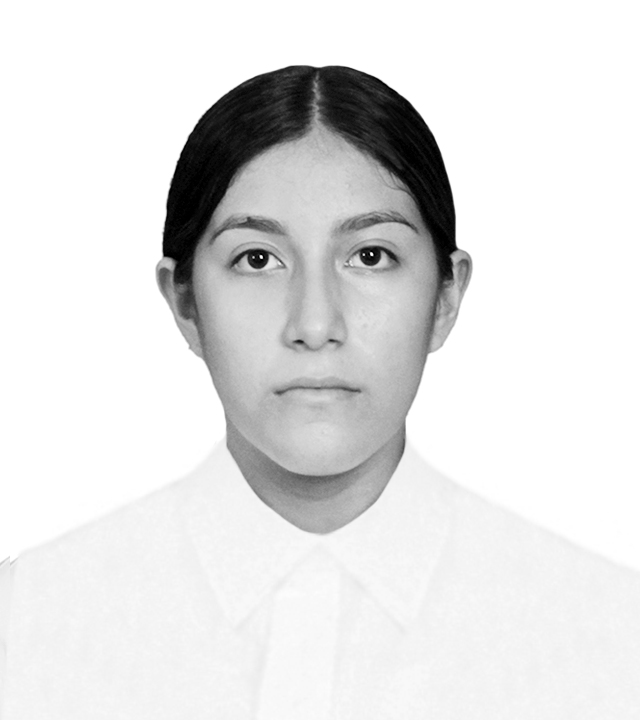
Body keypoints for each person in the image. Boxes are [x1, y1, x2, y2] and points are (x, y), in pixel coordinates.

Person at [1, 65, 639, 719]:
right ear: (185, 302)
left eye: (370, 256)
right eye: (257, 259)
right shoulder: (26, 620)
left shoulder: (610, 636)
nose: (314, 324)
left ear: (446, 298)